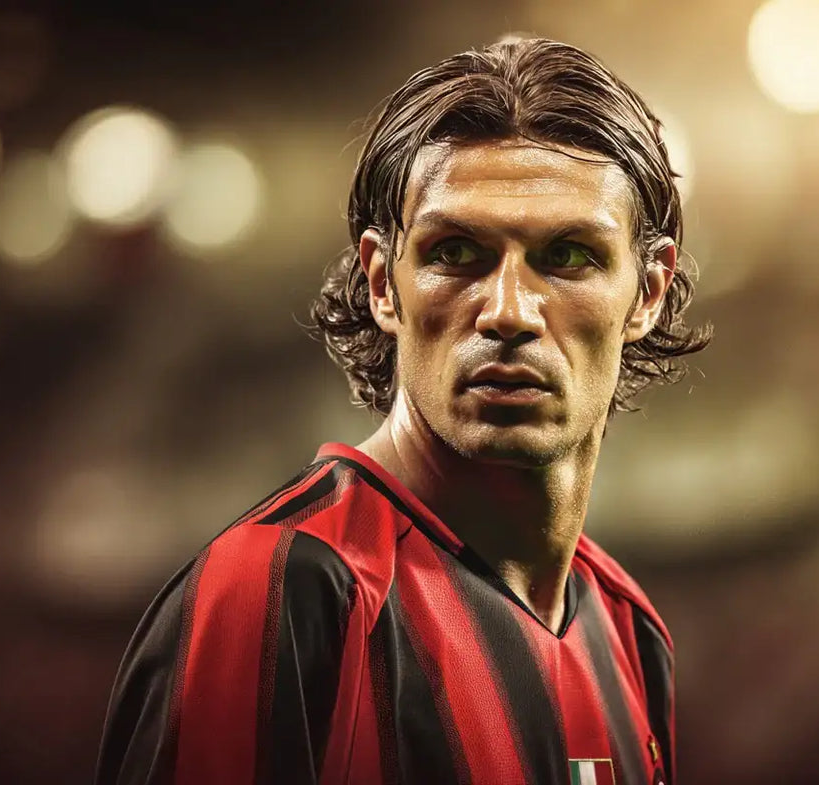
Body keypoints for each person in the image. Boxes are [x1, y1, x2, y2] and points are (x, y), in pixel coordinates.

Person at [96, 37, 710, 785]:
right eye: (456, 252)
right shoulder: (278, 590)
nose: (509, 310)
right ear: (384, 283)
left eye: (569, 255)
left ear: (646, 292)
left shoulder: (628, 632)